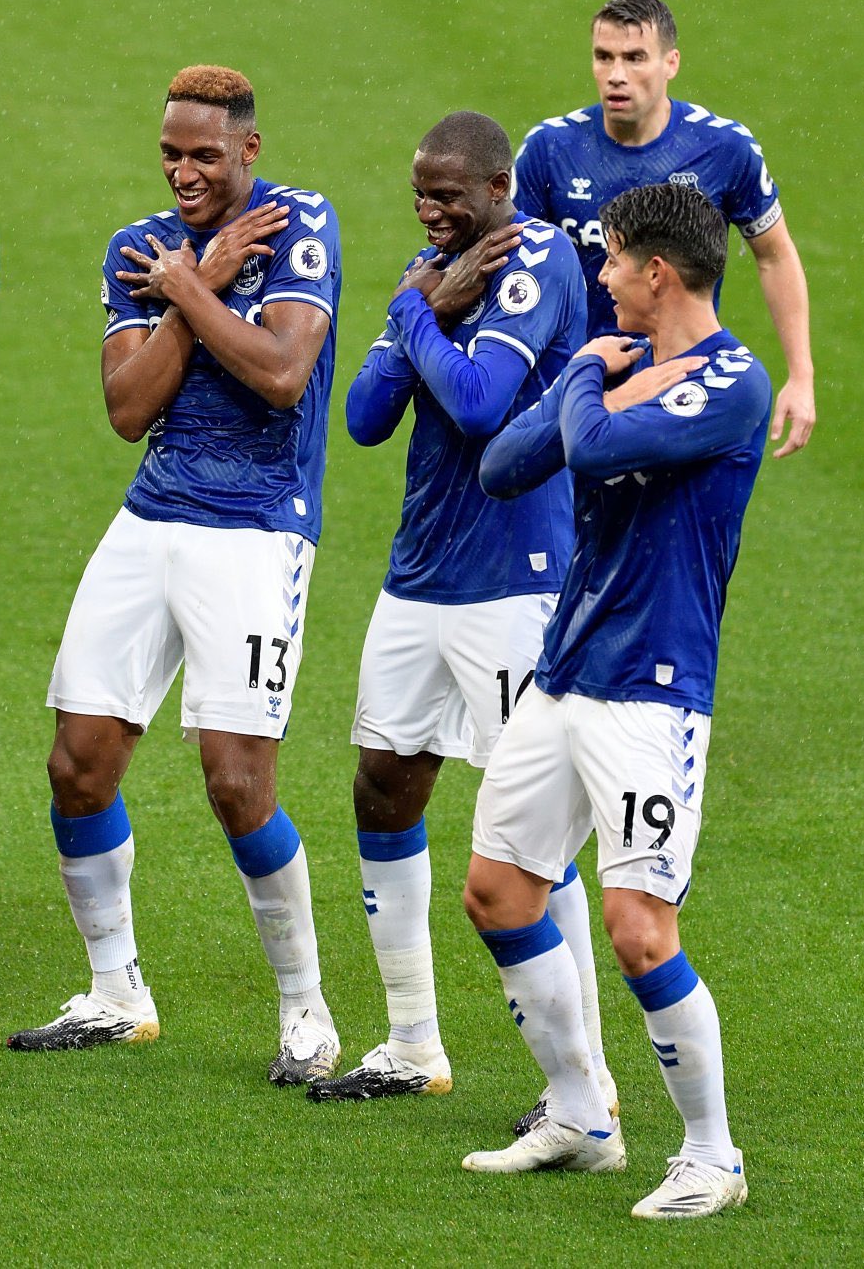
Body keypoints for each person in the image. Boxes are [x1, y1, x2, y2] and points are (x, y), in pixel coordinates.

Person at [6, 66, 345, 1085]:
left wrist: (187, 285)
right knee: (75, 762)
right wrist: (194, 273)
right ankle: (115, 992)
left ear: (248, 149)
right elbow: (125, 407)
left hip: (254, 528)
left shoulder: (300, 224)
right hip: (153, 515)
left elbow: (282, 374)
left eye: (204, 153)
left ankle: (305, 1013)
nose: (184, 170)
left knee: (236, 781)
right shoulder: (138, 249)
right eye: (170, 153)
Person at [460, 183, 768, 1219]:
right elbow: (504, 469)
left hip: (653, 691)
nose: (597, 278)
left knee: (638, 928)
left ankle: (710, 1156)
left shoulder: (731, 384)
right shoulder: (617, 363)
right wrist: (580, 384)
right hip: (563, 675)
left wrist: (583, 385)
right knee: (498, 891)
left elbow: (590, 450)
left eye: (610, 262)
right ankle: (578, 1113)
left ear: (657, 273)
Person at [309, 111, 612, 1107]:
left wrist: (412, 315)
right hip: (418, 578)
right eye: (420, 194)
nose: (430, 210)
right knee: (382, 788)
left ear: (497, 185)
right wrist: (422, 305)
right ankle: (408, 1043)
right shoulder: (432, 268)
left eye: (447, 194)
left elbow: (482, 404)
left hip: (514, 583)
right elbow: (360, 417)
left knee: (529, 832)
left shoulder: (536, 266)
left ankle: (586, 1077)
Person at [513, 0, 815, 458]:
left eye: (635, 58)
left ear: (671, 62)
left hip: (676, 390)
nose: (616, 75)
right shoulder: (549, 149)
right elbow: (516, 270)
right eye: (603, 57)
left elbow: (774, 256)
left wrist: (801, 376)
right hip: (576, 382)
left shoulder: (723, 149)